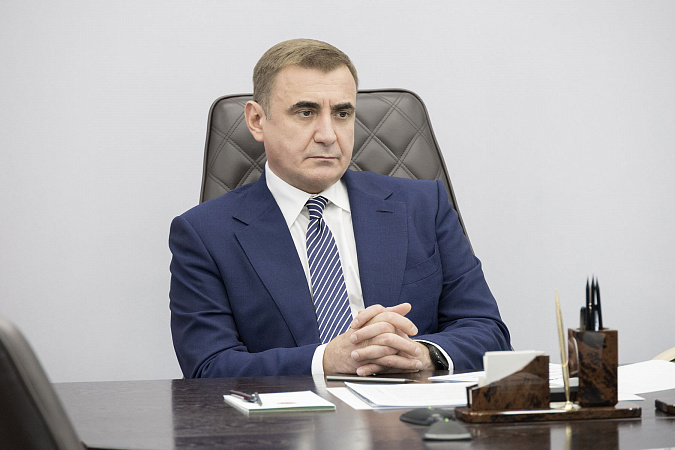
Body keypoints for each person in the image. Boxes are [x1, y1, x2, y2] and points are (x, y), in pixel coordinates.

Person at [169, 38, 510, 378]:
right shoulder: (204, 234)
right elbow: (208, 367)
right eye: (306, 112)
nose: (328, 135)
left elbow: (488, 332)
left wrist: (421, 353)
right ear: (257, 120)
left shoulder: (423, 206)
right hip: (292, 411)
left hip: (409, 408)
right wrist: (325, 361)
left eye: (342, 113)